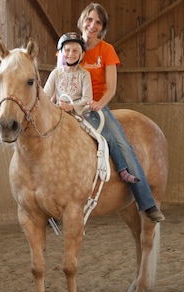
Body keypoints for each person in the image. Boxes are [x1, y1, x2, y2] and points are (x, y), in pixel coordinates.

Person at [77, 2, 165, 222]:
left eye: (98, 22)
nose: (92, 25)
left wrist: (99, 104)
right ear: (82, 21)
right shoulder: (70, 47)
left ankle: (146, 202)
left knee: (121, 144)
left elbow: (111, 88)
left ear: (103, 27)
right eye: (89, 20)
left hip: (96, 107)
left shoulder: (106, 50)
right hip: (72, 106)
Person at [44, 32, 141, 184]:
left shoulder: (84, 75)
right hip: (60, 114)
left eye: (75, 50)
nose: (70, 54)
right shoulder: (55, 74)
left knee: (107, 136)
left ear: (82, 54)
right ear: (61, 53)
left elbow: (87, 99)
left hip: (81, 114)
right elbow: (45, 95)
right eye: (67, 50)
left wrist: (71, 106)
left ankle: (122, 169)